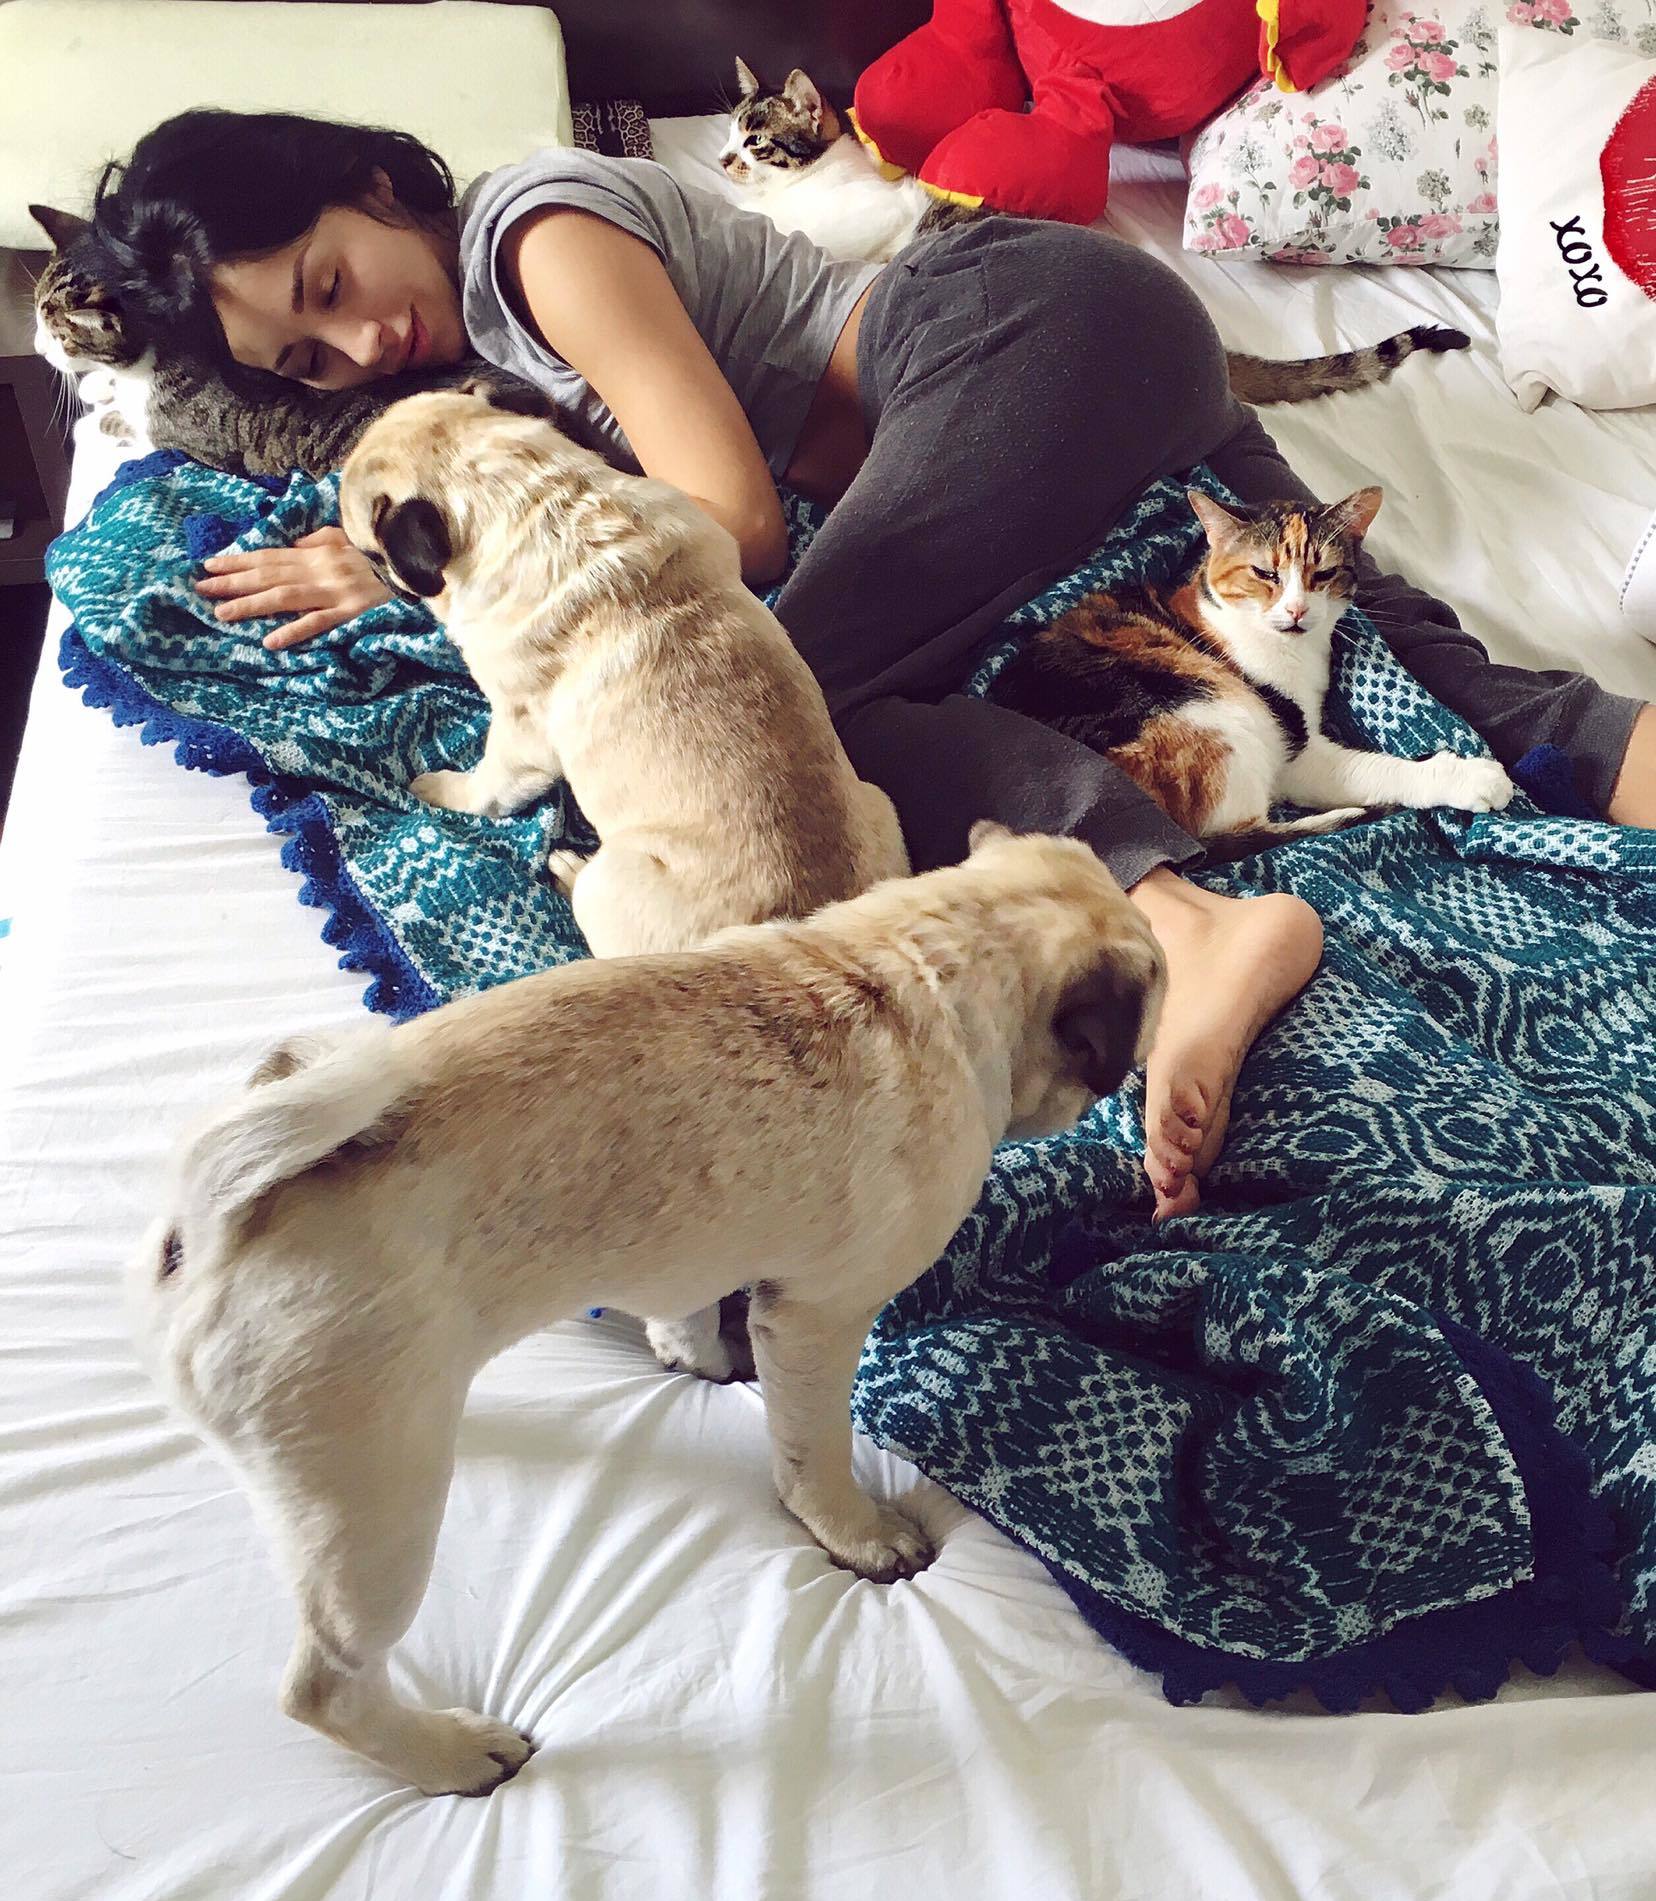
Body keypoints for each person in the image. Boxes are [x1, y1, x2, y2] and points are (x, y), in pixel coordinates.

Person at [83, 110, 1656, 1219]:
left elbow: (731, 524)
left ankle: (1185, 923)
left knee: (773, 717)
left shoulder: (531, 237)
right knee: (1420, 658)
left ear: (375, 185)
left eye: (332, 287)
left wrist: (412, 571)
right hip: (1093, 361)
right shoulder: (479, 353)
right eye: (310, 361)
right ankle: (1605, 756)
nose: (363, 349)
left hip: (1000, 328)